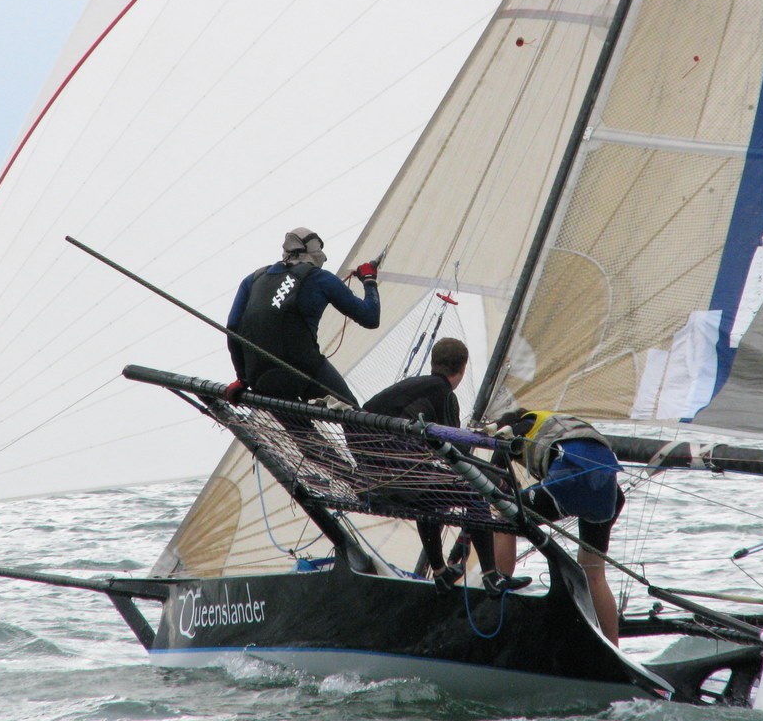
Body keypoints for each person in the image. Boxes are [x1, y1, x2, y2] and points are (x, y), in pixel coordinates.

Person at [362, 338, 530, 596]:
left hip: (369, 475)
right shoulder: (443, 394)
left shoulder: (413, 386)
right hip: (397, 477)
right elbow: (459, 457)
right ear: (463, 368)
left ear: (433, 362)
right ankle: (492, 577)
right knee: (476, 492)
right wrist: (498, 481)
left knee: (431, 499)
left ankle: (440, 573)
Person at [492, 409, 625, 644]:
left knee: (505, 514)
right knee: (593, 573)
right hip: (608, 491)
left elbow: (493, 482)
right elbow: (616, 495)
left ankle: (499, 588)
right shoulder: (555, 424)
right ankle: (613, 648)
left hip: (572, 477)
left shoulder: (516, 430)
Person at [225, 227, 380, 405]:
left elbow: (233, 329)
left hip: (261, 380)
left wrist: (242, 378)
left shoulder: (252, 280)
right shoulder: (319, 278)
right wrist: (369, 280)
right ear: (314, 253)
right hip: (305, 370)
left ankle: (304, 434)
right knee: (354, 419)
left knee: (300, 431)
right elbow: (370, 317)